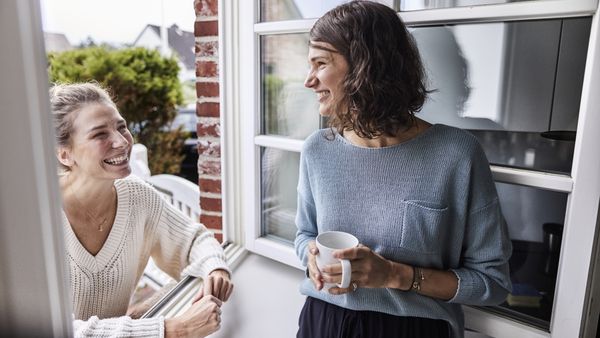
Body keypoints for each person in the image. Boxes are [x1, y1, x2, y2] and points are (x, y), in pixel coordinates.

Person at [294, 2, 512, 338]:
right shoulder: (317, 150)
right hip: (322, 321)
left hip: (413, 329)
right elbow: (304, 235)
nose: (309, 81)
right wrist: (310, 259)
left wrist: (395, 275)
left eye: (321, 64)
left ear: (365, 68)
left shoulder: (457, 155)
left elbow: (492, 283)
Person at [50, 82, 233, 338]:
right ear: (64, 154)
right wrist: (172, 330)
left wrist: (215, 267)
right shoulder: (38, 219)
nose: (121, 141)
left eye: (121, 126)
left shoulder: (136, 195)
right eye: (100, 134)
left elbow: (193, 241)